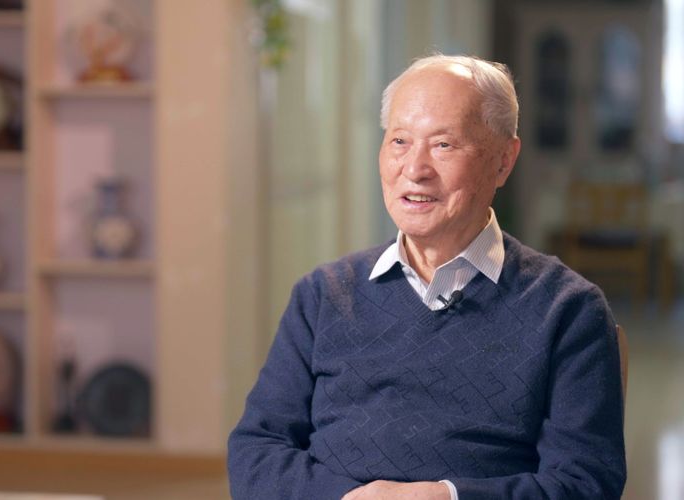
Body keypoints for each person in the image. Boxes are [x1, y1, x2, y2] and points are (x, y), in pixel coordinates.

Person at [227, 54, 626, 500]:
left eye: (443, 145)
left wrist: (445, 497)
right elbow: (255, 451)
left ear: (503, 160)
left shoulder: (568, 309)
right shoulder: (322, 295)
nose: (414, 169)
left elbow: (585, 483)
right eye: (399, 141)